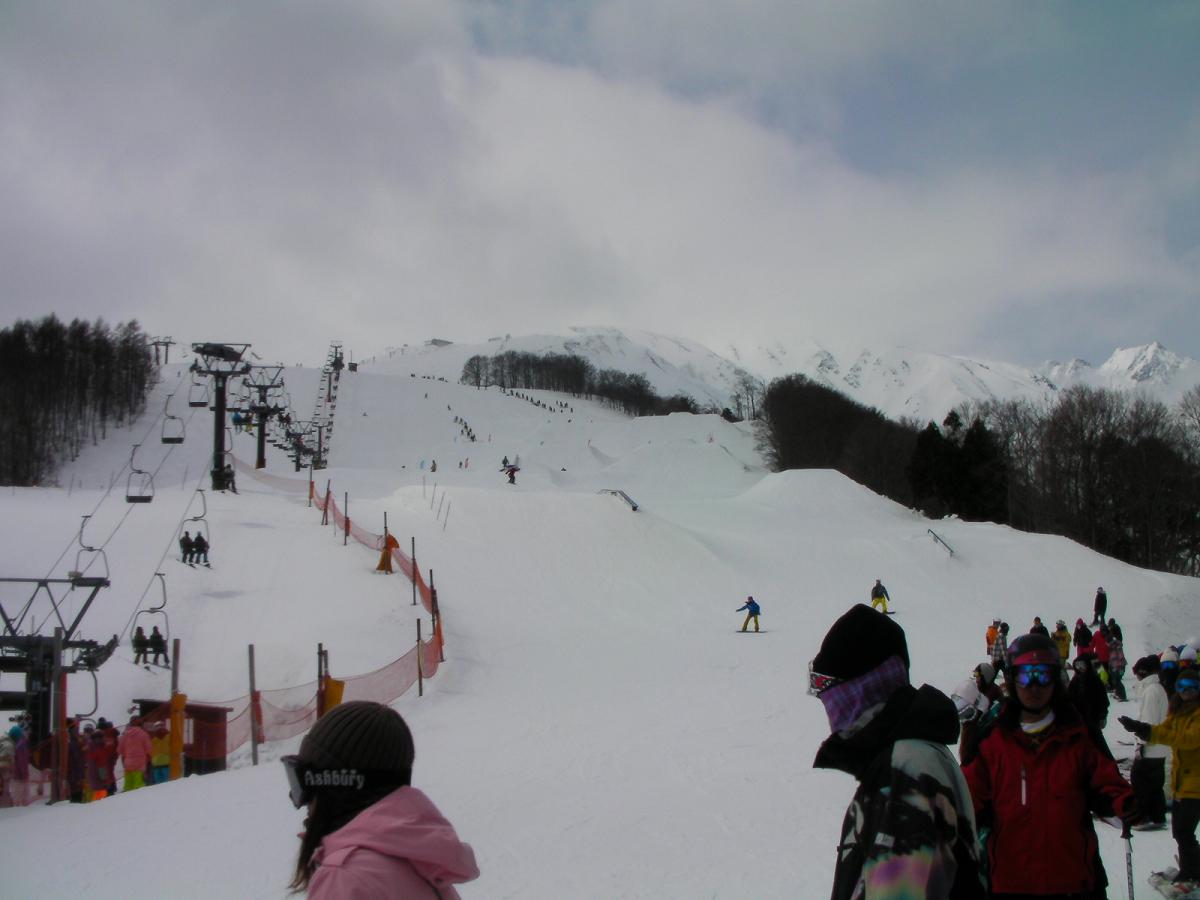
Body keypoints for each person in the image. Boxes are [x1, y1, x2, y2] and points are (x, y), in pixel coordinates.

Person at [809, 604, 985, 899]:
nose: (830, 705)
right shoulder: (912, 754)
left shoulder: (905, 769)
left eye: (831, 689)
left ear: (865, 687)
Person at [962, 633, 1136, 898]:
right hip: (1012, 883)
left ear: (1055, 679)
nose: (1034, 686)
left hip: (1074, 883)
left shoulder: (1079, 734)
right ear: (1012, 679)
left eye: (1042, 675)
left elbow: (1107, 784)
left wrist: (1128, 803)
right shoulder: (993, 741)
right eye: (1025, 675)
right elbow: (967, 800)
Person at [283, 701, 479, 897]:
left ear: (335, 784)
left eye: (301, 783)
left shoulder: (347, 879)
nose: (301, 801)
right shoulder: (419, 861)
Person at [1120, 666, 1200, 883]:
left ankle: (1192, 872)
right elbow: (1165, 730)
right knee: (1180, 831)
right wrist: (1143, 728)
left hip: (1196, 784)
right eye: (1182, 687)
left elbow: (1188, 739)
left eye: (1192, 687)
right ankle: (1193, 866)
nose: (1187, 692)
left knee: (1183, 831)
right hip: (1183, 782)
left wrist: (1149, 732)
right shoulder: (1180, 711)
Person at [1129, 654, 1170, 831]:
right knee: (1154, 783)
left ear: (1142, 672)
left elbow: (1149, 721)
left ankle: (1143, 816)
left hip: (1150, 746)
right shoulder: (1158, 688)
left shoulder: (1151, 691)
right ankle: (1157, 815)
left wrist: (1140, 744)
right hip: (1160, 747)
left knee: (1140, 780)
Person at [952, 662, 1002, 762]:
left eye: (978, 675)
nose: (976, 678)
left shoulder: (993, 696)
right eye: (975, 675)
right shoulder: (978, 691)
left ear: (986, 677)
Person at [1068, 651, 1112, 758]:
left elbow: (1103, 700)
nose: (1080, 668)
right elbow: (1068, 699)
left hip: (1093, 720)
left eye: (1082, 665)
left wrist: (1103, 715)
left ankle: (1105, 761)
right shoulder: (1075, 681)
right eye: (1077, 666)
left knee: (1098, 743)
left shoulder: (1095, 681)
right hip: (1078, 721)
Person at [117, 716, 153, 792]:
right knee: (139, 785)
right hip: (140, 763)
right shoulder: (143, 734)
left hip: (128, 763)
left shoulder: (125, 735)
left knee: (128, 786)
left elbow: (119, 750)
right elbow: (149, 750)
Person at [1107, 630, 1128, 702]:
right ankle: (1118, 693)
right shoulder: (1111, 647)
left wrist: (1120, 665)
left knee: (1117, 680)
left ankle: (1122, 696)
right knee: (1115, 680)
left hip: (1118, 666)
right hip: (1116, 666)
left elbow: (1120, 656)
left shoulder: (1115, 646)